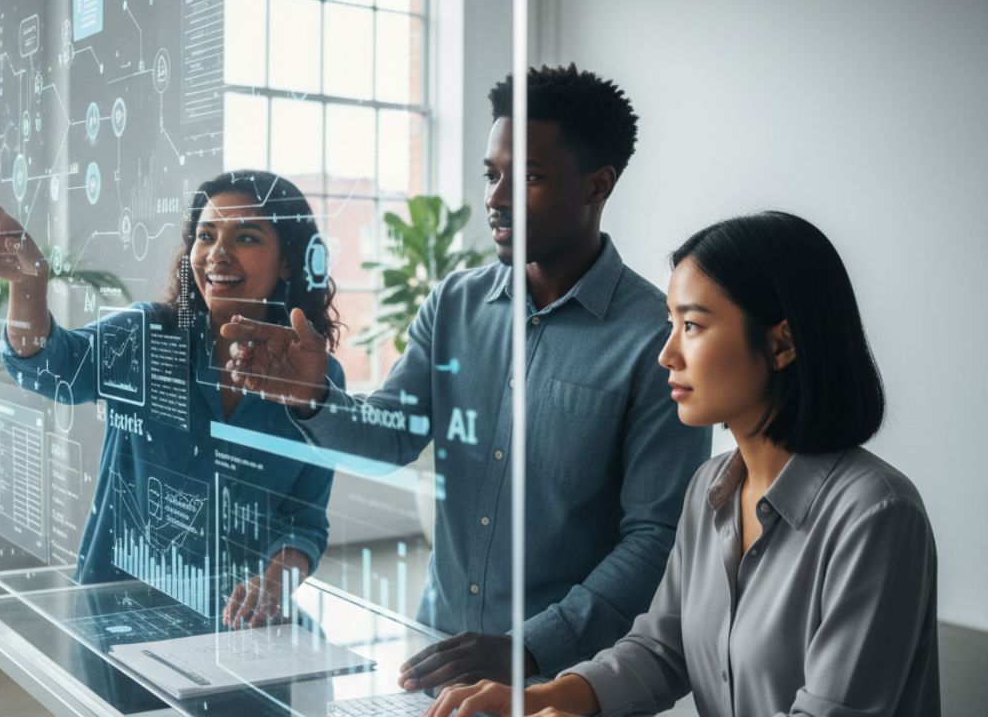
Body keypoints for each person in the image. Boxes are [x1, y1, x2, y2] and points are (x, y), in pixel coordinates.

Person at [219, 65, 712, 685]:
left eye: (527, 177)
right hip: (439, 662)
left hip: (567, 685)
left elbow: (656, 539)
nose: (496, 198)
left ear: (598, 185)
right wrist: (315, 397)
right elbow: (393, 437)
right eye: (492, 173)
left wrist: (528, 648)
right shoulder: (453, 304)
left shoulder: (655, 339)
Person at [426, 211, 940, 717]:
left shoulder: (876, 515)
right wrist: (536, 698)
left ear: (781, 342)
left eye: (691, 325)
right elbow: (662, 648)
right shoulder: (709, 489)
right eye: (670, 324)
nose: (666, 354)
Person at [0, 170, 346, 629]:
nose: (218, 254)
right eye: (205, 235)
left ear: (288, 261)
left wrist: (275, 581)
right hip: (121, 615)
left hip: (244, 630)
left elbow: (304, 520)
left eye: (245, 237)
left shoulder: (316, 378)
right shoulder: (146, 335)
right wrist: (27, 286)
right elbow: (50, 369)